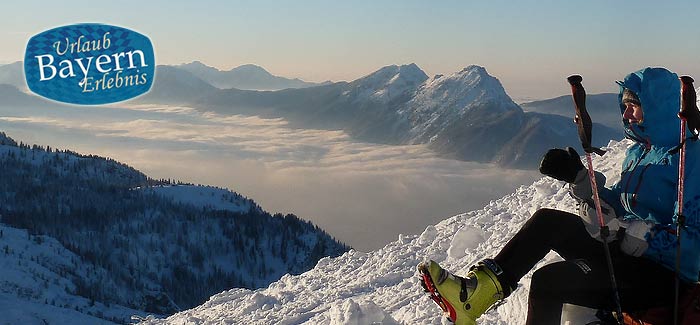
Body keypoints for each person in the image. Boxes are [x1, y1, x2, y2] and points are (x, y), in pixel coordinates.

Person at [422, 67, 700, 325]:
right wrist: (582, 184)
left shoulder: (691, 160)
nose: (626, 115)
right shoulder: (639, 153)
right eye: (625, 106)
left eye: (635, 106)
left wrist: (641, 235)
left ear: (658, 108)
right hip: (625, 256)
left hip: (664, 277)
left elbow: (694, 246)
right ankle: (476, 295)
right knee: (547, 222)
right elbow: (621, 205)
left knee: (549, 282)